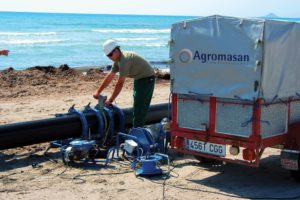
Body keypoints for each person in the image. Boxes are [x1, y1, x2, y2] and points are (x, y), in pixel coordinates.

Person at [93, 39, 155, 128]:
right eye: (107, 56)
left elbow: (120, 83)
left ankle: (138, 131)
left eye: (110, 55)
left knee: (140, 107)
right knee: (137, 105)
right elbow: (110, 76)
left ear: (116, 50)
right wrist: (98, 91)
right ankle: (137, 127)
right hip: (139, 78)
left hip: (147, 79)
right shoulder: (118, 60)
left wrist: (110, 101)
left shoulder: (124, 60)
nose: (109, 57)